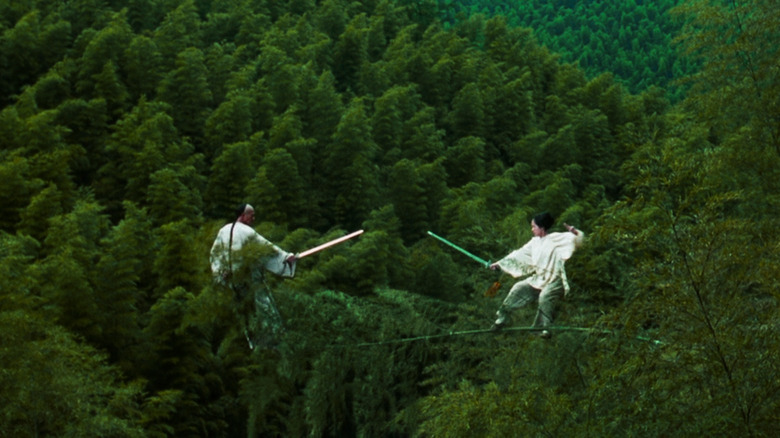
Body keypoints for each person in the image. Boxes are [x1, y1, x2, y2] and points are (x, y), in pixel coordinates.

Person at [210, 203, 297, 350]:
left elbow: (214, 255)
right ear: (243, 216)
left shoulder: (223, 231)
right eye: (251, 215)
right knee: (263, 309)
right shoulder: (247, 232)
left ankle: (256, 344)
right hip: (248, 279)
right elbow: (267, 248)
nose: (253, 218)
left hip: (231, 280)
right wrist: (285, 257)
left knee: (244, 312)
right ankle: (270, 344)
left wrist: (220, 273)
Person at [489, 212, 584, 338]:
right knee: (518, 288)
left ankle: (545, 328)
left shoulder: (555, 238)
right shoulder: (534, 242)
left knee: (544, 297)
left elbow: (578, 240)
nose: (532, 229)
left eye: (534, 226)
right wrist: (499, 264)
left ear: (542, 227)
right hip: (539, 278)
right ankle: (502, 318)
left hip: (555, 279)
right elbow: (518, 254)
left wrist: (575, 231)